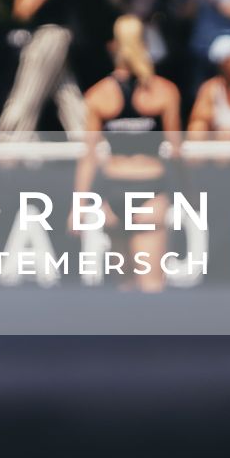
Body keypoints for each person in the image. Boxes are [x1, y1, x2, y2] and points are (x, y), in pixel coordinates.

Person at [75, 16, 183, 290]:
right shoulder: (164, 92)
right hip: (150, 190)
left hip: (113, 188)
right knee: (151, 284)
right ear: (145, 44)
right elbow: (176, 152)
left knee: (125, 284)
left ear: (113, 46)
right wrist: (188, 194)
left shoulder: (98, 94)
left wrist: (78, 206)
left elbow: (89, 156)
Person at [0, 0, 86, 140]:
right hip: (53, 37)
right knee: (66, 90)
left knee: (28, 87)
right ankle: (86, 135)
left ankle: (11, 137)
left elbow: (22, 11)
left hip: (48, 37)